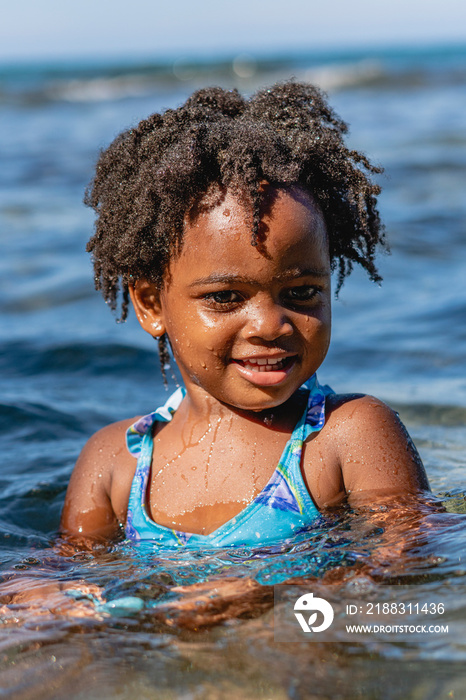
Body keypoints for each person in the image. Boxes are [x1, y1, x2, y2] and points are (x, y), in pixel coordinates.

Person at [60, 81, 429, 548]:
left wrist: (262, 592)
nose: (270, 324)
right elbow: (67, 573)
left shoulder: (347, 436)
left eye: (301, 292)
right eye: (226, 297)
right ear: (151, 304)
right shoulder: (115, 462)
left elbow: (408, 566)